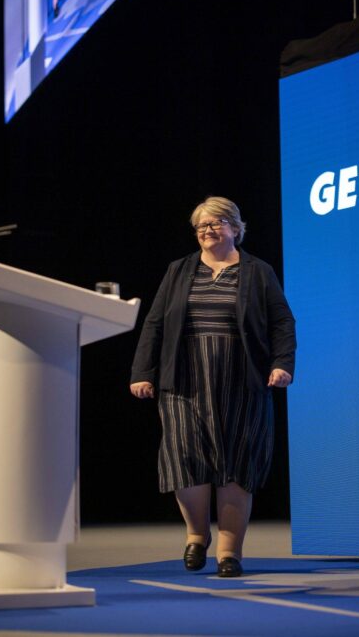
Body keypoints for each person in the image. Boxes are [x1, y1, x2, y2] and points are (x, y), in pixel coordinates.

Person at [130, 196, 296, 578]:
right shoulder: (179, 270)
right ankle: (196, 535)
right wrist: (143, 372)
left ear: (236, 229)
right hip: (183, 380)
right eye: (201, 225)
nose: (207, 230)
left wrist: (281, 364)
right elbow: (155, 324)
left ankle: (229, 552)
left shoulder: (258, 272)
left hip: (242, 381)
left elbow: (282, 323)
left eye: (216, 223)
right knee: (186, 458)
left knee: (238, 462)